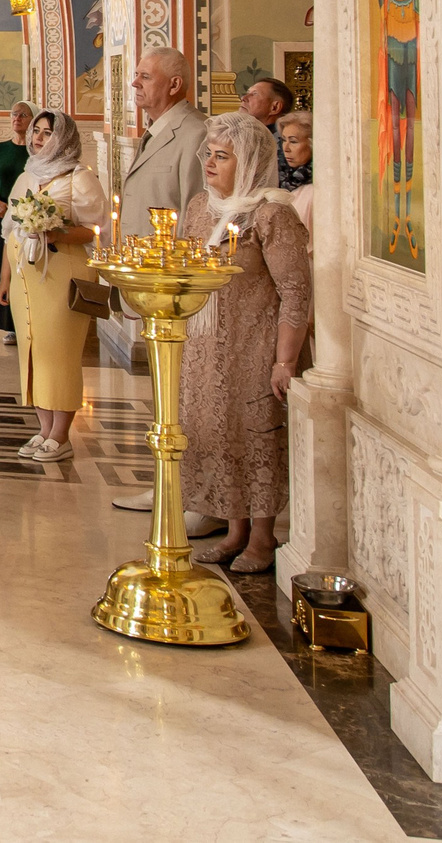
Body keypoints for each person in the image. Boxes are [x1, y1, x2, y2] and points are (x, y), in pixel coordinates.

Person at [179, 113, 312, 572]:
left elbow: (296, 290)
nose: (210, 165)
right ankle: (234, 529)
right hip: (204, 347)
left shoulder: (272, 214)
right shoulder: (200, 207)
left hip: (254, 346)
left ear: (251, 161)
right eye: (209, 155)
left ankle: (262, 535)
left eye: (222, 157)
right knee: (219, 435)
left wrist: (285, 360)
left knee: (257, 439)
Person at [110, 47, 212, 519]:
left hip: (180, 290)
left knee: (190, 394)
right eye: (135, 77)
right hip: (154, 286)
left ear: (174, 85)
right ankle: (169, 483)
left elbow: (199, 213)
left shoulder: (193, 134)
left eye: (144, 77)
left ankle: (200, 495)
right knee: (166, 393)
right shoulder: (157, 133)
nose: (135, 85)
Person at [0, 110, 105, 461]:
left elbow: (94, 231)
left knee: (60, 352)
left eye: (47, 133)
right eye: (36, 132)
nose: (38, 139)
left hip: (62, 275)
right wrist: (5, 276)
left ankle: (61, 435)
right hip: (24, 278)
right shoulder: (29, 174)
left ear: (63, 139)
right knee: (32, 350)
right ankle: (43, 429)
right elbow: (10, 229)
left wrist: (52, 230)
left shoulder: (79, 178)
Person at [0, 99, 33, 340]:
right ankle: (8, 324)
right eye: (14, 113)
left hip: (30, 218)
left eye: (23, 114)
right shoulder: (0, 148)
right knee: (3, 266)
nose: (17, 118)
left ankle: (28, 320)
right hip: (2, 216)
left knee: (24, 265)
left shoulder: (37, 151)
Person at [276, 108, 314, 231]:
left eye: (293, 141)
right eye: (284, 140)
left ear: (312, 144)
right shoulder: (279, 179)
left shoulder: (315, 191)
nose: (286, 148)